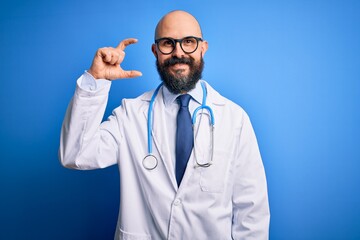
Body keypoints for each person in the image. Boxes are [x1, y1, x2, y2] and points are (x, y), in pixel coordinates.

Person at [59, 10, 270, 240]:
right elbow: (75, 154)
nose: (178, 52)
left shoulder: (234, 119)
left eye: (188, 42)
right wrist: (96, 80)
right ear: (155, 51)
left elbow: (251, 214)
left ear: (203, 47)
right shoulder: (131, 114)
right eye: (168, 43)